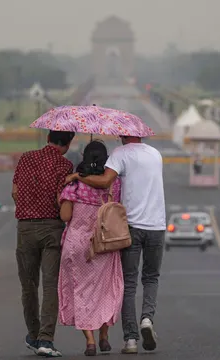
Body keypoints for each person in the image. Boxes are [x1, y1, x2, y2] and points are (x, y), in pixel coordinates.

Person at [65, 135, 166, 354]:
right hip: (157, 225)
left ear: (123, 135)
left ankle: (130, 339)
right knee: (151, 277)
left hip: (130, 227)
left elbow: (104, 181)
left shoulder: (121, 154)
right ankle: (147, 318)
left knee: (128, 283)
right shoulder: (155, 154)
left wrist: (78, 175)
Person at [12, 130, 75, 358]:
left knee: (28, 286)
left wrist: (30, 205)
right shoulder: (65, 165)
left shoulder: (26, 158)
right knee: (50, 286)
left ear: (48, 138)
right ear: (67, 144)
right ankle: (46, 341)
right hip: (52, 230)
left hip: (26, 228)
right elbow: (62, 200)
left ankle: (33, 333)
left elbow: (15, 192)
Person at [58, 140, 124, 356]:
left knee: (81, 292)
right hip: (104, 245)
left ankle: (90, 341)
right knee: (105, 292)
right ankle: (104, 336)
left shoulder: (73, 186)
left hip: (77, 245)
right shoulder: (113, 185)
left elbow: (65, 216)